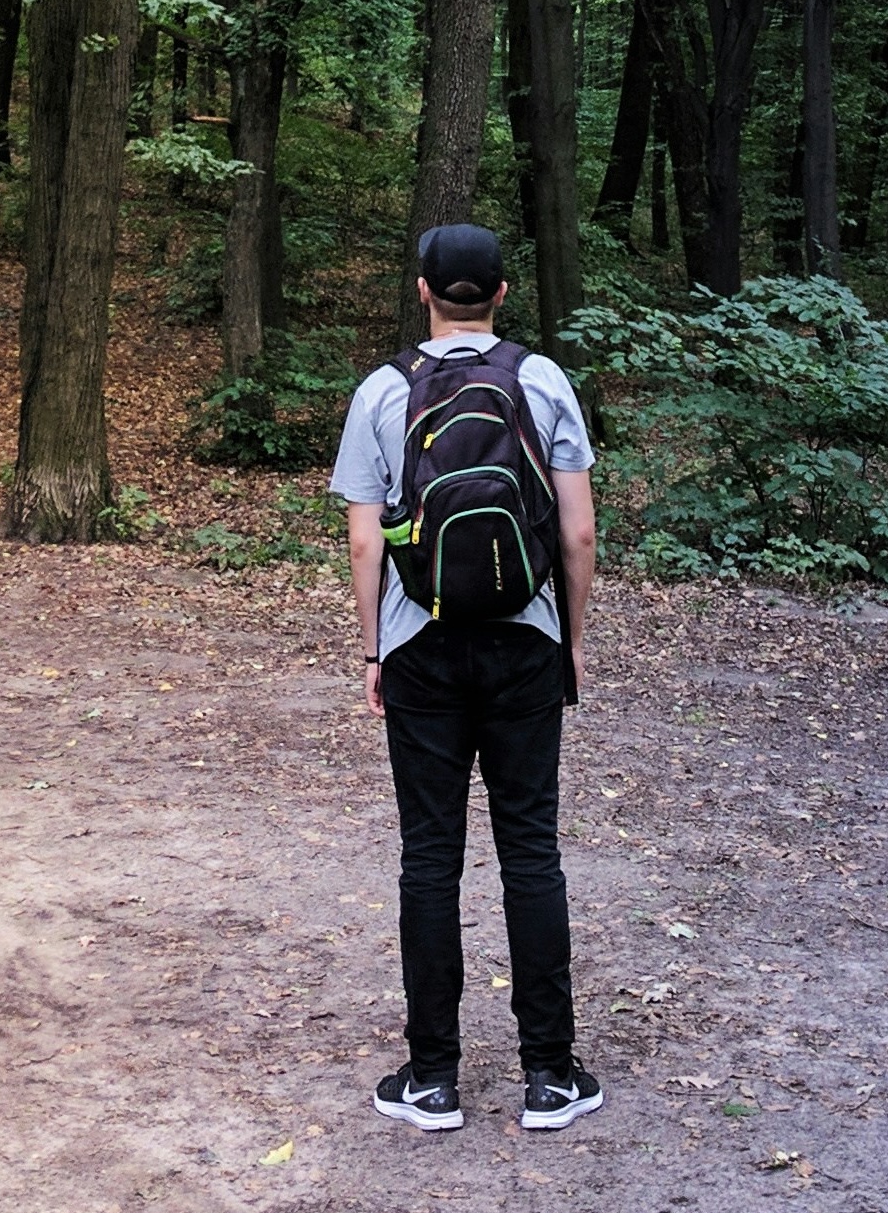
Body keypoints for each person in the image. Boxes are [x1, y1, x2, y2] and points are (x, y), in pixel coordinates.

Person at [331, 221, 603, 1134]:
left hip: (422, 646)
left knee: (429, 854)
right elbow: (577, 532)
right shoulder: (543, 379)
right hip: (526, 639)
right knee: (531, 848)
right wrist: (568, 636)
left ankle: (433, 1077)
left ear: (422, 291)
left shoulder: (381, 390)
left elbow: (367, 537)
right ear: (500, 291)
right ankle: (552, 1075)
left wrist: (375, 649)